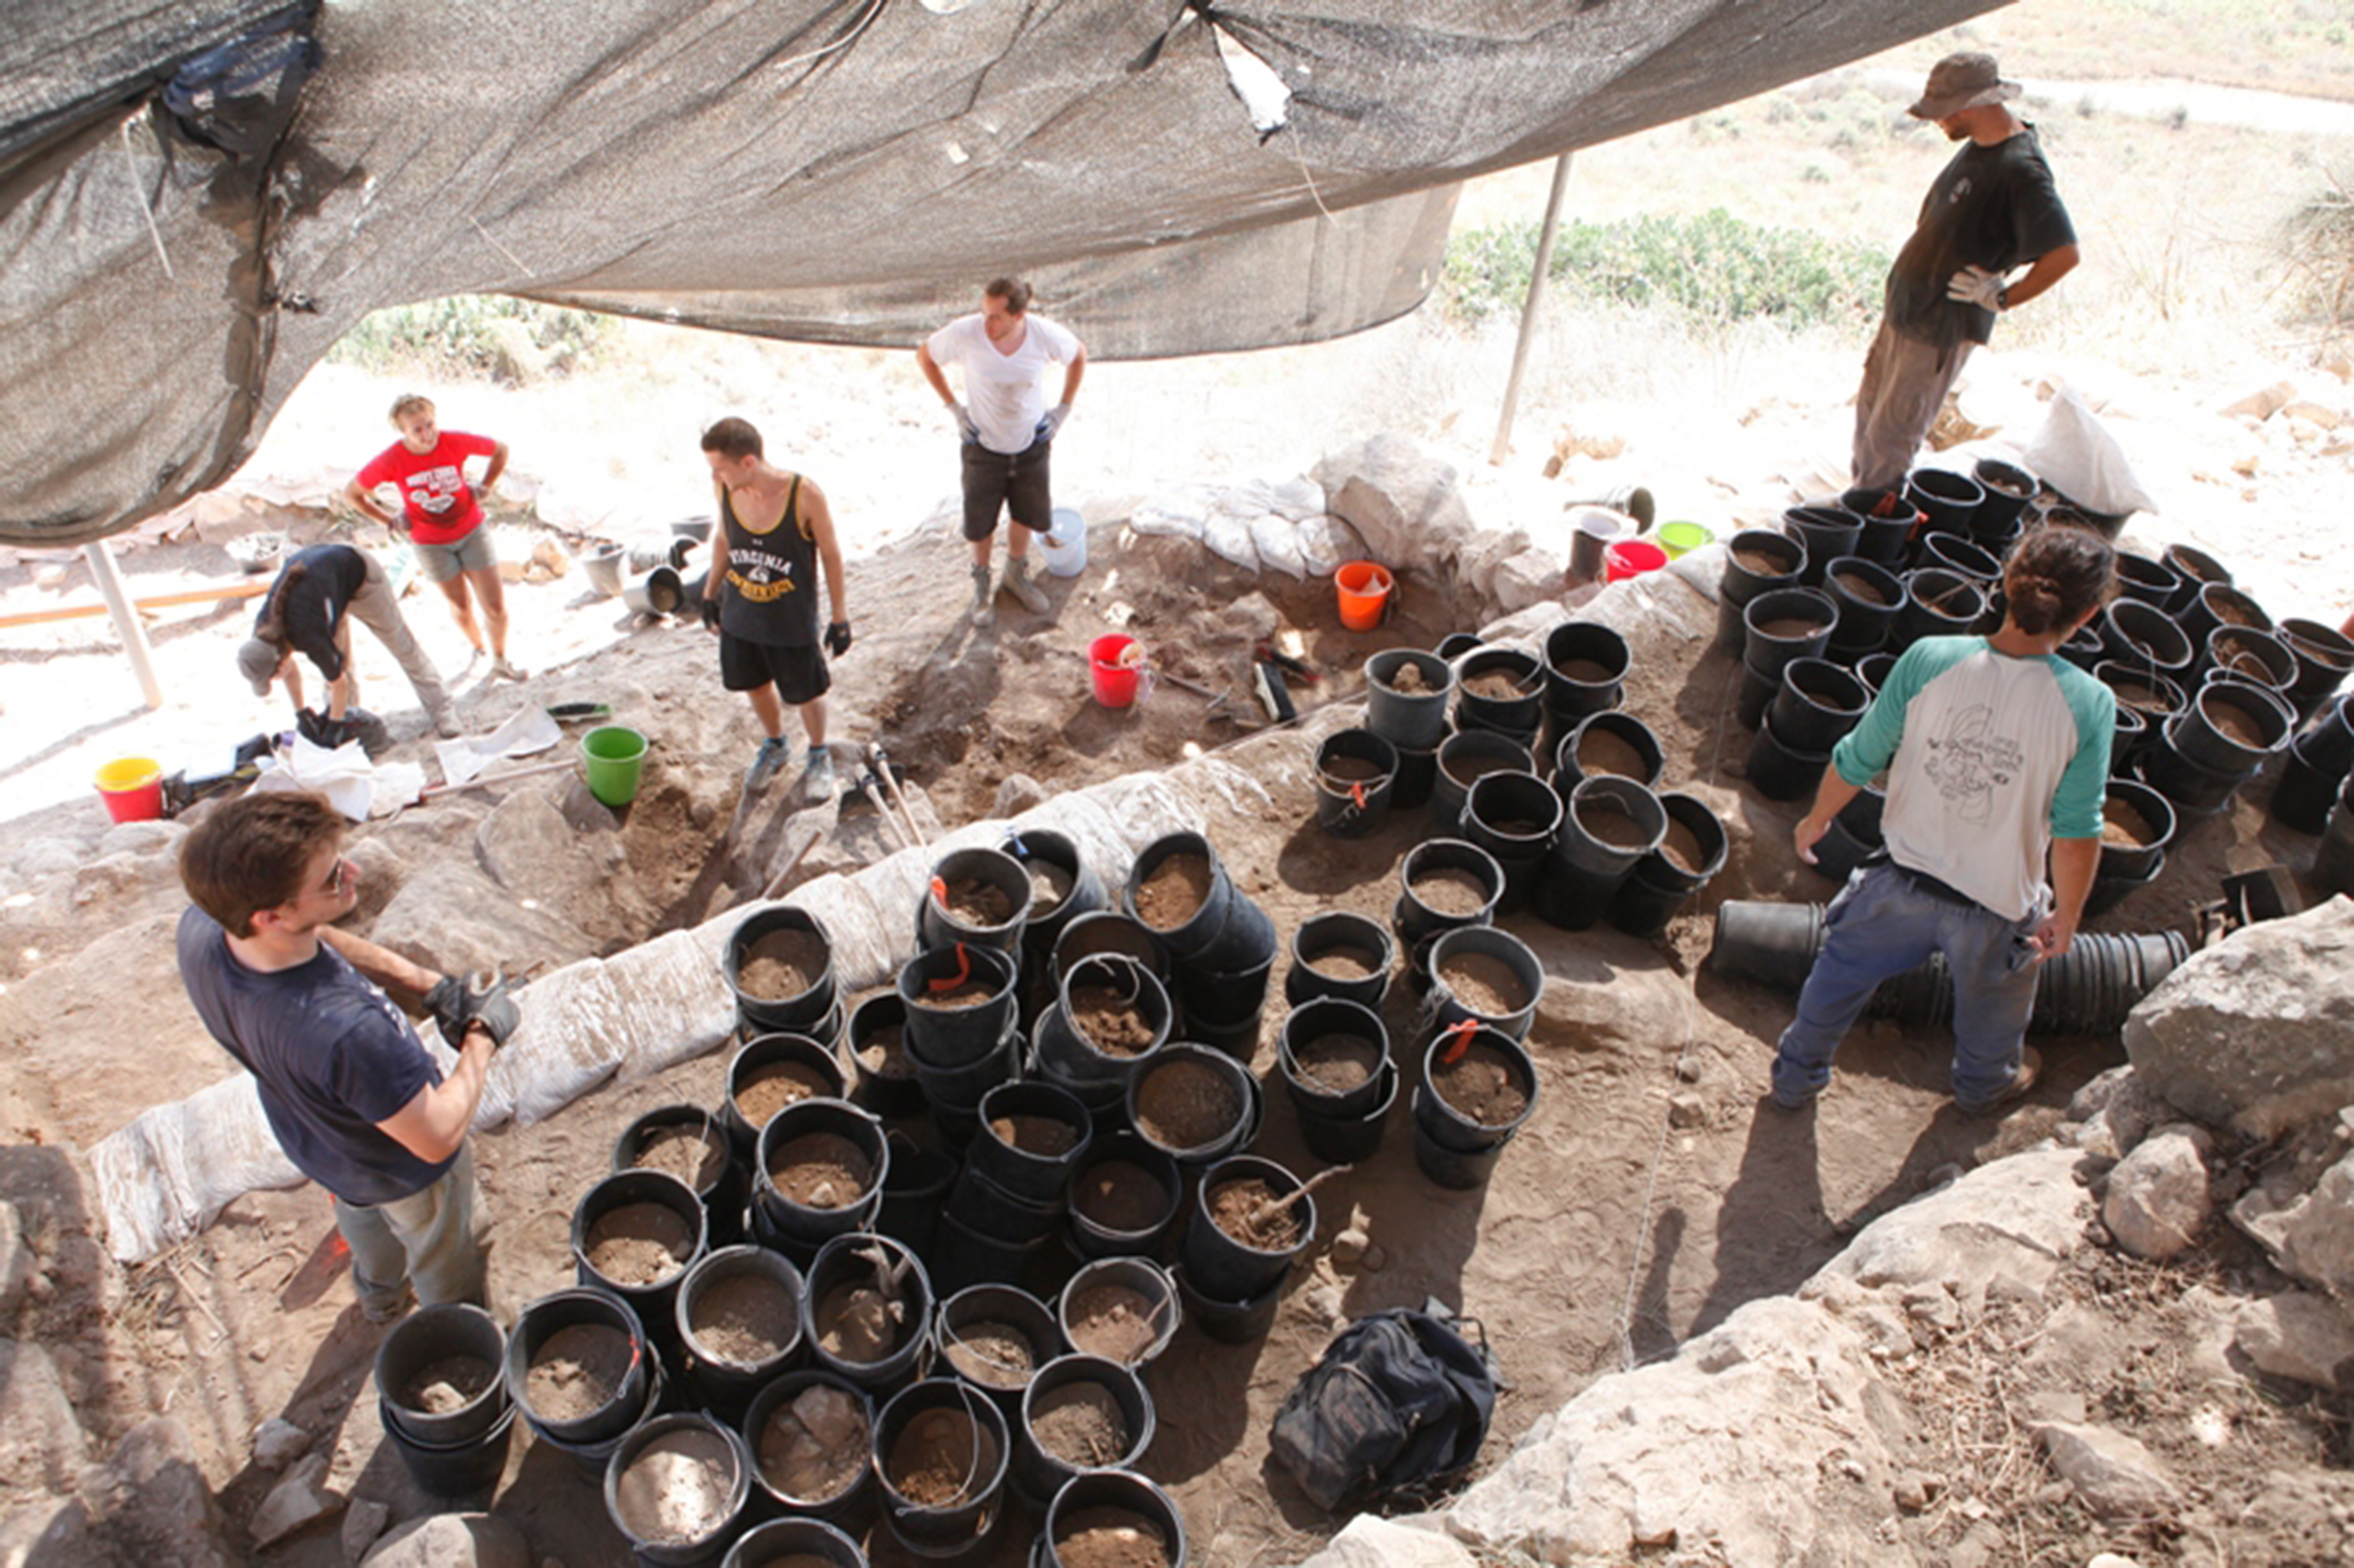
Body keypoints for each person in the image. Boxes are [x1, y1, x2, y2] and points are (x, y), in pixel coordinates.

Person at [1770, 525, 2117, 1115]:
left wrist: (1817, 819)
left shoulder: (1932, 658)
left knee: (1838, 976)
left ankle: (1794, 1078)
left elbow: (1860, 756)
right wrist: (2069, 912)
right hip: (1998, 906)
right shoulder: (2087, 703)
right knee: (1995, 1013)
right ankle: (1984, 1089)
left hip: (1901, 880)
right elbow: (2078, 830)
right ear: (2085, 616)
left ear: (2007, 583)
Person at [176, 792, 517, 1320]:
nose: (354, 873)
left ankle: (380, 1298)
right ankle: (458, 1332)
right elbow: (437, 1136)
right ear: (271, 916)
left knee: (361, 1213)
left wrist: (427, 986)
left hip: (321, 1143)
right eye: (332, 879)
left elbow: (315, 932)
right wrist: (482, 1036)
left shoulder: (205, 929)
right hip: (403, 1168)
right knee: (445, 1248)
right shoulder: (346, 1034)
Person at [1852, 54, 2079, 491]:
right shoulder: (1982, 148)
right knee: (1869, 423)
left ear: (1974, 103)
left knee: (1892, 437)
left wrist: (2002, 296)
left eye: (1944, 112)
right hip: (1909, 311)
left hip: (1939, 325)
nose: (1938, 122)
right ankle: (1859, 509)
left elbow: (2064, 253)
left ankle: (1872, 537)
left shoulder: (2021, 171)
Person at [915, 278, 1087, 626]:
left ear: (1019, 315)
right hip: (983, 445)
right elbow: (925, 356)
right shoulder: (967, 333)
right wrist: (954, 409)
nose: (987, 324)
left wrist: (1063, 411)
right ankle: (982, 585)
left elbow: (1078, 356)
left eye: (995, 317)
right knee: (980, 523)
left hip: (1030, 443)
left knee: (1026, 513)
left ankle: (1015, 575)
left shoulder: (1043, 336)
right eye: (984, 313)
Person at [696, 417, 851, 800]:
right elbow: (724, 540)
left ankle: (818, 754)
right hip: (741, 614)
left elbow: (831, 555)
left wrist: (839, 617)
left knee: (806, 692)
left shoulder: (804, 495)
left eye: (720, 467)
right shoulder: (725, 490)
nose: (715, 475)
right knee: (755, 684)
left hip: (789, 620)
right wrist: (710, 593)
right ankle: (775, 744)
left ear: (748, 462)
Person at [342, 395, 527, 682]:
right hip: (430, 542)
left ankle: (500, 659)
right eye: (417, 430)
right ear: (403, 432)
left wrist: (486, 486)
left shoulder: (453, 441)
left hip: (471, 530)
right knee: (461, 606)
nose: (427, 434)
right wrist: (390, 520)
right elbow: (353, 493)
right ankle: (478, 647)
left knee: (495, 606)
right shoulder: (392, 460)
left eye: (430, 425)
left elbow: (500, 450)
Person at [236, 542, 461, 741]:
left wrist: (334, 727)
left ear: (280, 660)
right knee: (338, 668)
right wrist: (302, 713)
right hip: (325, 591)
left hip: (360, 577)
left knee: (400, 644)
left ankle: (443, 710)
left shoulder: (309, 636)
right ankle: (353, 722)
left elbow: (338, 683)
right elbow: (288, 670)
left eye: (274, 675)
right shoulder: (264, 633)